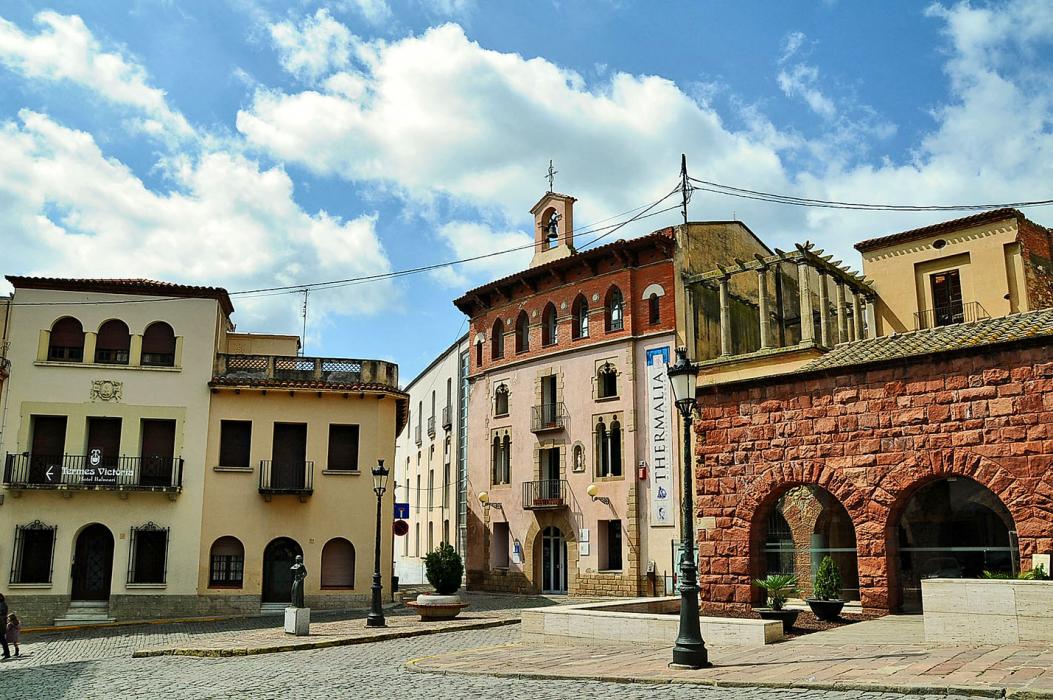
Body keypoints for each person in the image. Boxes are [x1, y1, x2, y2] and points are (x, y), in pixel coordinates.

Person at [0, 595, 9, 659]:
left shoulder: (2, 604)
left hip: (1, 625)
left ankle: (7, 653)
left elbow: (2, 613)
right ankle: (6, 652)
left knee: (2, 640)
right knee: (2, 640)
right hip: (1, 624)